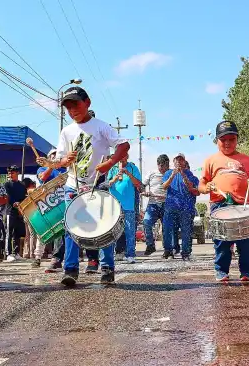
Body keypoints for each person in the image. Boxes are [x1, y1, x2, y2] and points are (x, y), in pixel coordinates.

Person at [43, 86, 130, 286]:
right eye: (68, 108)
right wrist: (65, 160)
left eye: (76, 105)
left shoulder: (101, 127)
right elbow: (58, 160)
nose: (73, 110)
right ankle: (70, 269)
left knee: (103, 225)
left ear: (87, 102)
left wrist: (110, 162)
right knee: (71, 226)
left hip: (97, 183)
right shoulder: (66, 131)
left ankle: (107, 268)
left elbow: (124, 144)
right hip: (73, 185)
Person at [199, 121, 249, 282]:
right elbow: (201, 185)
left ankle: (247, 272)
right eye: (223, 140)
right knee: (222, 241)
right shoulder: (210, 160)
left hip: (243, 206)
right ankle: (221, 271)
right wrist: (207, 188)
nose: (227, 143)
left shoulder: (247, 160)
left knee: (247, 241)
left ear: (237, 139)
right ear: (217, 141)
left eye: (231, 139)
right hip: (220, 205)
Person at [105, 152, 142, 264]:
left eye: (123, 156)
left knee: (130, 230)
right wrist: (115, 178)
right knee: (112, 230)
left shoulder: (133, 167)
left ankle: (130, 254)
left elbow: (138, 184)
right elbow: (108, 184)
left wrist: (129, 174)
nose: (121, 158)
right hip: (114, 204)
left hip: (128, 204)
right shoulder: (113, 168)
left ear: (127, 156)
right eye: (120, 156)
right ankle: (112, 254)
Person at [162, 153, 200, 261]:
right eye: (177, 160)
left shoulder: (191, 175)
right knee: (168, 230)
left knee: (186, 231)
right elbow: (164, 187)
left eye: (181, 160)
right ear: (173, 162)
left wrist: (184, 176)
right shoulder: (168, 173)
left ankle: (186, 253)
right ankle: (168, 251)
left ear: (184, 162)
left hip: (186, 209)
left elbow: (196, 191)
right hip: (170, 207)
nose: (179, 162)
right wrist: (172, 175)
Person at [142, 154, 169, 256]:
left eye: (164, 166)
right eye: (160, 166)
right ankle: (150, 245)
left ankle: (167, 249)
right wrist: (145, 192)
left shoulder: (171, 174)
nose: (162, 168)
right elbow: (142, 186)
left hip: (166, 205)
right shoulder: (151, 173)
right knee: (146, 222)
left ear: (168, 165)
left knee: (166, 227)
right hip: (153, 204)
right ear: (157, 165)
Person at [3, 165, 27, 262]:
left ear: (17, 173)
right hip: (10, 211)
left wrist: (21, 205)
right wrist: (14, 203)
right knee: (9, 232)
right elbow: (8, 196)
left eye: (12, 172)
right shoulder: (6, 184)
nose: (10, 174)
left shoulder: (22, 185)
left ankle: (16, 252)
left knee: (17, 233)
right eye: (9, 173)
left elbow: (24, 196)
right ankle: (8, 253)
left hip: (20, 211)